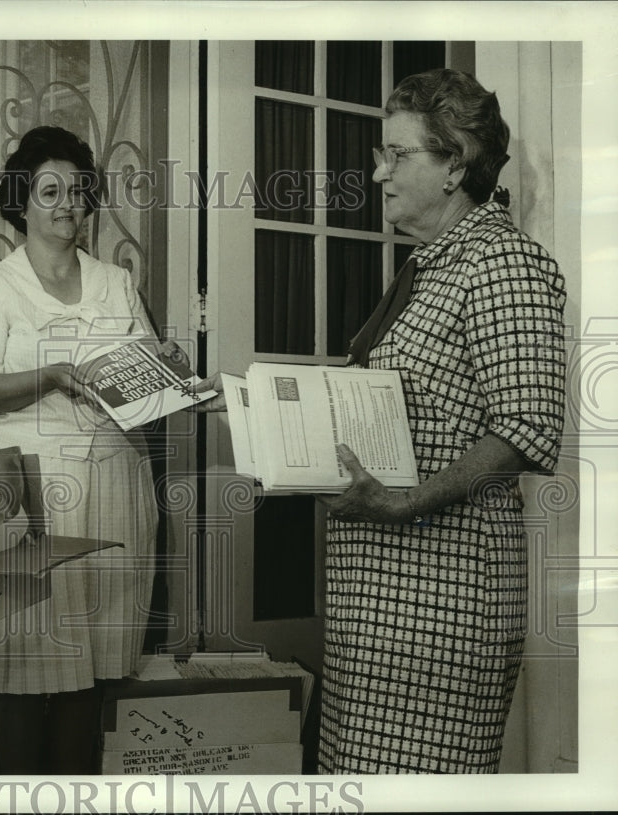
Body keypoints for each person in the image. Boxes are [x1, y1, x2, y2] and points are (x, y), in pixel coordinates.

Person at [200, 68, 566, 773]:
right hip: (383, 601)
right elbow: (374, 398)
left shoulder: (504, 263)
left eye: (397, 155)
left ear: (456, 164)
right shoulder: (431, 268)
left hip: (444, 603)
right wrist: (242, 396)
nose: (377, 175)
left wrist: (399, 502)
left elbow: (525, 427)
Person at [0, 126, 159, 774]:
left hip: (113, 485)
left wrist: (165, 367)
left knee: (88, 669)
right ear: (22, 202)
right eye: (50, 189)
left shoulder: (116, 282)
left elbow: (141, 369)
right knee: (22, 665)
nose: (67, 203)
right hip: (27, 493)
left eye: (78, 190)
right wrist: (55, 373)